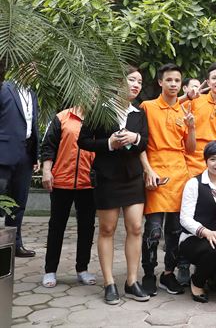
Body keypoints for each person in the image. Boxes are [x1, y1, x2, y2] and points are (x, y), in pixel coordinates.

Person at [77, 65, 150, 304]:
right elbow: (83, 141)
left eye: (139, 82)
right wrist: (109, 143)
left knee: (136, 227)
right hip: (107, 177)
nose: (136, 85)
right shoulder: (101, 109)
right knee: (107, 229)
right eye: (132, 80)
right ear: (119, 82)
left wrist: (135, 138)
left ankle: (132, 281)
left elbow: (145, 142)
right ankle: (109, 283)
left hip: (133, 178)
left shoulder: (139, 113)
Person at [139, 63, 196, 297]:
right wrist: (147, 170)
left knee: (174, 231)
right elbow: (140, 143)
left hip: (179, 175)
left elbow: (190, 149)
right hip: (155, 173)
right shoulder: (147, 107)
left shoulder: (184, 112)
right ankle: (148, 274)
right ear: (160, 82)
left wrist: (191, 128)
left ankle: (168, 273)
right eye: (169, 80)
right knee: (153, 230)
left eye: (177, 81)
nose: (173, 84)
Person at [41, 107, 96, 289]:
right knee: (56, 226)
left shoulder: (99, 119)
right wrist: (47, 171)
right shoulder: (62, 117)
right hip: (62, 180)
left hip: (88, 182)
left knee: (87, 227)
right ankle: (50, 270)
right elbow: (48, 145)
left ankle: (82, 269)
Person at [179, 141, 216, 303]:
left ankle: (209, 272)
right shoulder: (194, 184)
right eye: (213, 159)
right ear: (206, 161)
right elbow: (185, 218)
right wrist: (206, 232)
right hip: (193, 240)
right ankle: (197, 281)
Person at [0, 80, 39, 257]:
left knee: (18, 202)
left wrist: (36, 155)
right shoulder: (4, 88)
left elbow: (33, 125)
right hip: (3, 153)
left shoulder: (32, 93)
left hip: (26, 153)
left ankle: (14, 244)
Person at [184, 62, 216, 176]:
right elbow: (173, 107)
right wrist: (187, 97)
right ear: (208, 82)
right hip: (188, 162)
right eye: (214, 78)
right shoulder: (195, 100)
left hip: (214, 164)